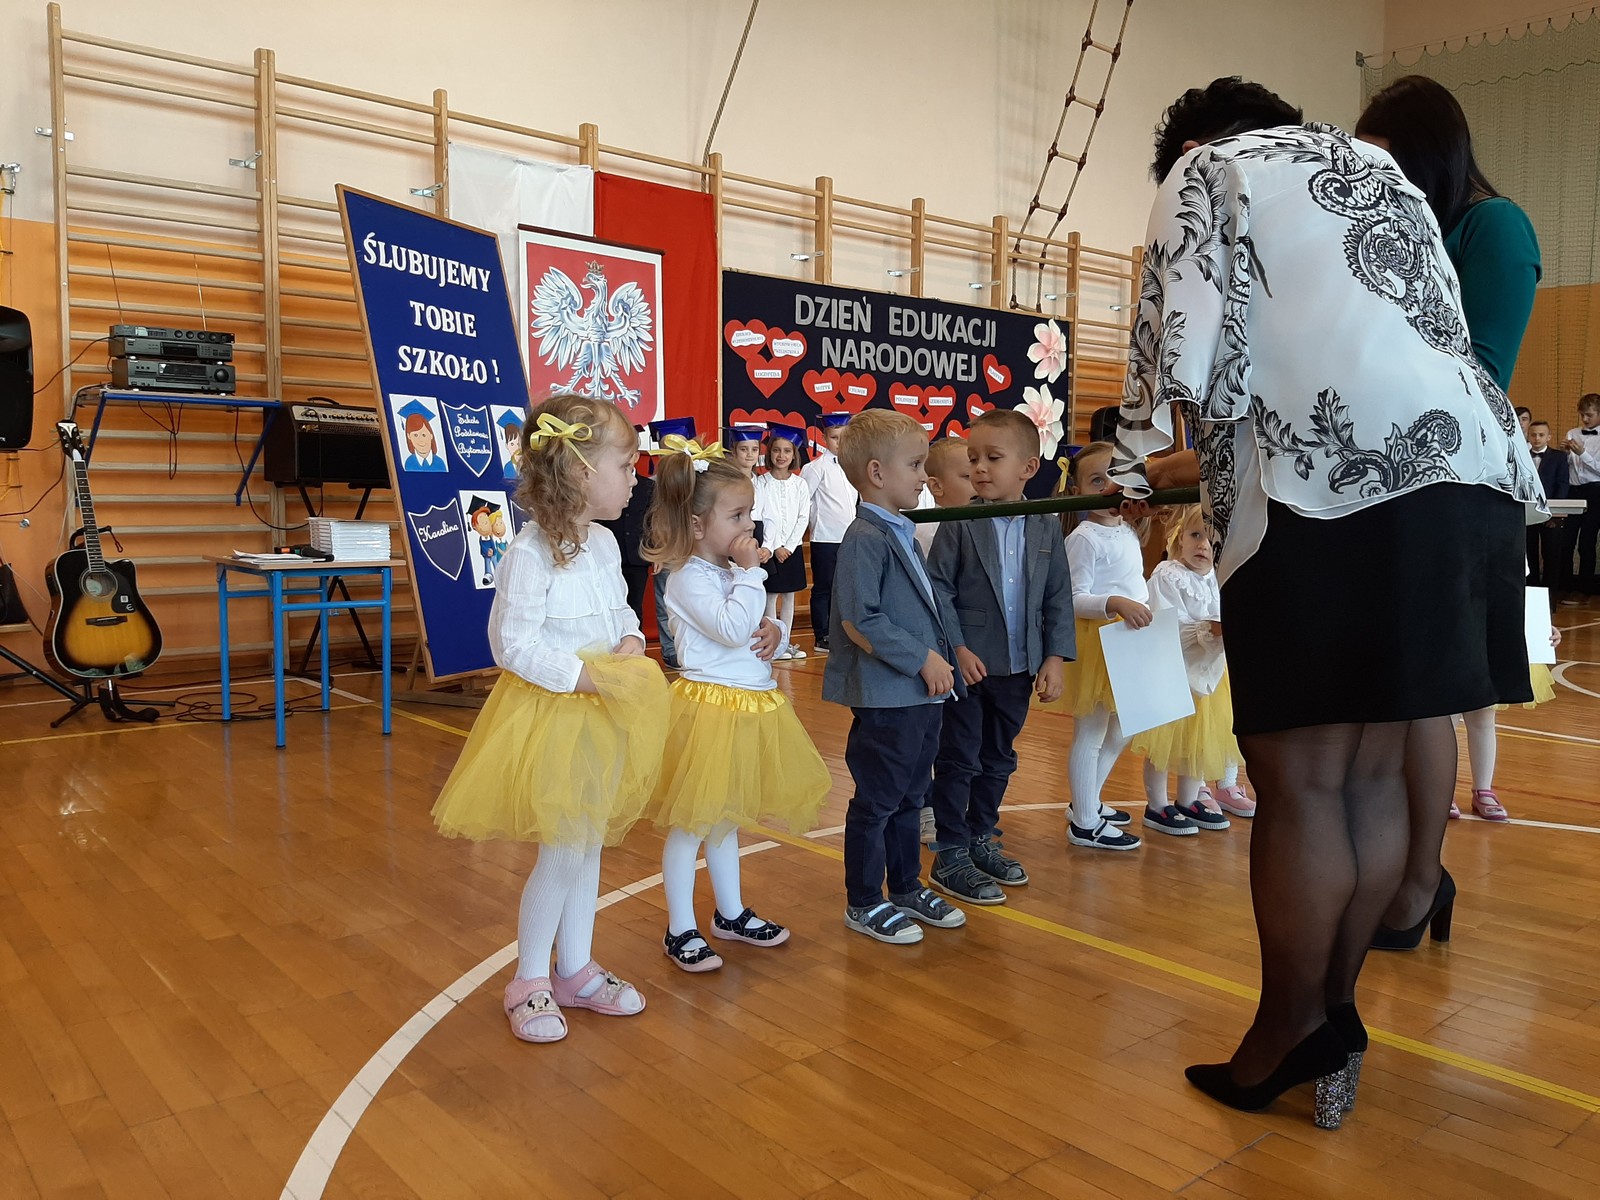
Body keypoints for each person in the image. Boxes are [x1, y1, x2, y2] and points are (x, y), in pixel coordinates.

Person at [1112, 79, 1544, 1125]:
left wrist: (1132, 469)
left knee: (1302, 783)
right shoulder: (1380, 172)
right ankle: (1329, 1014)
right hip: (1469, 475)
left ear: (1194, 146)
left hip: (1331, 485)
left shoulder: (1207, 169)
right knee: (1367, 777)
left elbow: (1179, 360)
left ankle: (1288, 1032)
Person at [1356, 74, 1549, 923]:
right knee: (1390, 696)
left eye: (1390, 158)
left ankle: (1419, 883)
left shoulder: (1493, 226)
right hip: (1396, 482)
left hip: (1457, 487)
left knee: (1423, 692)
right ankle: (1403, 875)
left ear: (1430, 155)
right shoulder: (1405, 233)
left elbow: (1482, 374)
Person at [431, 393, 671, 1044]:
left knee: (587, 844)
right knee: (563, 849)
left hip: (604, 713)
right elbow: (510, 645)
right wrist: (585, 677)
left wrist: (630, 639)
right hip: (557, 715)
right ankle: (530, 979)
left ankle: (575, 970)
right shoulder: (530, 553)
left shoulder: (603, 543)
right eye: (625, 466)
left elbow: (621, 610)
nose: (635, 479)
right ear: (581, 473)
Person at [641, 439, 831, 972]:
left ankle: (730, 913)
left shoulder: (727, 572)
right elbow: (728, 627)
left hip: (746, 707)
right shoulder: (687, 577)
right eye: (738, 515)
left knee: (725, 820)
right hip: (710, 711)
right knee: (691, 825)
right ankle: (680, 928)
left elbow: (748, 625)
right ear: (697, 525)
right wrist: (751, 575)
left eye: (750, 513)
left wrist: (773, 629)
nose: (750, 525)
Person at [822, 407, 967, 944]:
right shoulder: (865, 536)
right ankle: (863, 901)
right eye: (916, 465)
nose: (924, 476)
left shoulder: (900, 530)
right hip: (889, 697)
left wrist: (951, 653)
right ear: (877, 473)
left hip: (920, 696)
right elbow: (860, 620)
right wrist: (922, 658)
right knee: (878, 802)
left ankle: (905, 886)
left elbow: (927, 604)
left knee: (911, 796)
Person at [925, 409, 1073, 904]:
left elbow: (1058, 595)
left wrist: (1054, 656)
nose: (980, 468)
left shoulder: (1046, 524)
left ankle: (980, 835)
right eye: (973, 459)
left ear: (1028, 468)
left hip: (1019, 666)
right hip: (970, 667)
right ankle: (950, 850)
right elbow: (939, 590)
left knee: (998, 756)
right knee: (958, 757)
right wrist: (958, 648)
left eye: (992, 458)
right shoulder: (959, 521)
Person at [1132, 505, 1250, 835]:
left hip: (1208, 675)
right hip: (1172, 672)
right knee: (1163, 742)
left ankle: (1188, 800)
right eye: (1195, 535)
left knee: (1198, 741)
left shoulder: (1218, 578)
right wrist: (1207, 629)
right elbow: (1167, 623)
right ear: (1179, 538)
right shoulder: (1168, 575)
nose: (1202, 545)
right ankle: (1157, 805)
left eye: (1211, 540)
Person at [1057, 442, 1148, 852]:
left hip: (1129, 640)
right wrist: (1114, 603)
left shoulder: (1126, 529)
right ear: (1077, 491)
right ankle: (1084, 822)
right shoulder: (1084, 538)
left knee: (1123, 728)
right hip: (1099, 642)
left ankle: (1086, 801)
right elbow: (1072, 597)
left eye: (1119, 477)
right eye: (1098, 480)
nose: (1111, 487)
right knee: (1091, 732)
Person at [803, 412, 858, 653]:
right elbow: (804, 500)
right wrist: (813, 523)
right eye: (835, 437)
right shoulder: (816, 468)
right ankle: (822, 634)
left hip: (849, 536)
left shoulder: (853, 466)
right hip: (825, 538)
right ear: (825, 438)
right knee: (824, 587)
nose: (839, 442)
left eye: (843, 437)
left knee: (845, 588)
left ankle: (842, 632)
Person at [755, 424, 811, 662]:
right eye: (776, 450)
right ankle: (772, 644)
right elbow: (762, 516)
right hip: (770, 548)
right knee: (770, 595)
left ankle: (785, 642)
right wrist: (776, 546)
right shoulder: (761, 482)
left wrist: (789, 546)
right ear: (770, 454)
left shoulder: (800, 484)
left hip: (792, 548)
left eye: (787, 451)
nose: (781, 455)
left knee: (789, 596)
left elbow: (803, 517)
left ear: (793, 454)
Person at [914, 437, 977, 559]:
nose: (978, 483)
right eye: (968, 476)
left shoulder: (991, 525)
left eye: (979, 475)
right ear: (936, 486)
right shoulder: (924, 533)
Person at [1563, 393, 1600, 595]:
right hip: (1573, 490)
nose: (1585, 419)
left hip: (1595, 491)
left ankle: (1585, 588)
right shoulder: (1572, 433)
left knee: (1587, 541)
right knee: (1566, 540)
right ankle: (1566, 586)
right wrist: (1565, 455)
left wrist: (1582, 454)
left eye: (1589, 415)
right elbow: (1570, 466)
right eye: (1582, 414)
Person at [1527, 420, 1569, 589]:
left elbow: (1562, 484)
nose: (1537, 438)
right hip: (1528, 512)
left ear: (1548, 437)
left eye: (1541, 435)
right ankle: (1531, 590)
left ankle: (1550, 593)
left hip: (1551, 513)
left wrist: (1555, 513)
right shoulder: (1522, 456)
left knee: (1551, 554)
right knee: (1529, 553)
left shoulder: (1559, 457)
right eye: (1533, 435)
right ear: (1528, 436)